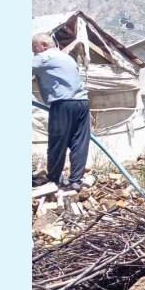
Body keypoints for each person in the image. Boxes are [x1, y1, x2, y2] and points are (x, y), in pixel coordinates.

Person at [32, 33, 90, 190]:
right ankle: (76, 180)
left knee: (57, 142)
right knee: (79, 142)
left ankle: (53, 178)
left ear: (44, 45)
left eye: (33, 46)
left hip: (63, 103)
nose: (32, 50)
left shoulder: (44, 57)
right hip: (82, 103)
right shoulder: (67, 57)